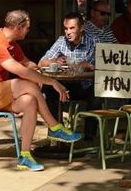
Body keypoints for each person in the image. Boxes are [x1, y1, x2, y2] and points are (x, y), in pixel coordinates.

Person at [0, 10, 82, 172]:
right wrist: (50, 81)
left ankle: (25, 156)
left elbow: (27, 64)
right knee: (28, 84)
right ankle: (55, 127)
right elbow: (20, 71)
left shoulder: (13, 45)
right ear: (18, 27)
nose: (28, 31)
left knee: (30, 101)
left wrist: (38, 71)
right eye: (27, 27)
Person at [39, 12, 100, 140]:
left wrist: (88, 65)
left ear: (81, 28)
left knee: (96, 95)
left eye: (72, 28)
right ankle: (57, 130)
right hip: (65, 85)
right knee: (48, 89)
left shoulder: (93, 41)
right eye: (66, 28)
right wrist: (54, 61)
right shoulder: (62, 41)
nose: (68, 32)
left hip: (84, 85)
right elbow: (41, 62)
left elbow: (100, 66)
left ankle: (89, 138)